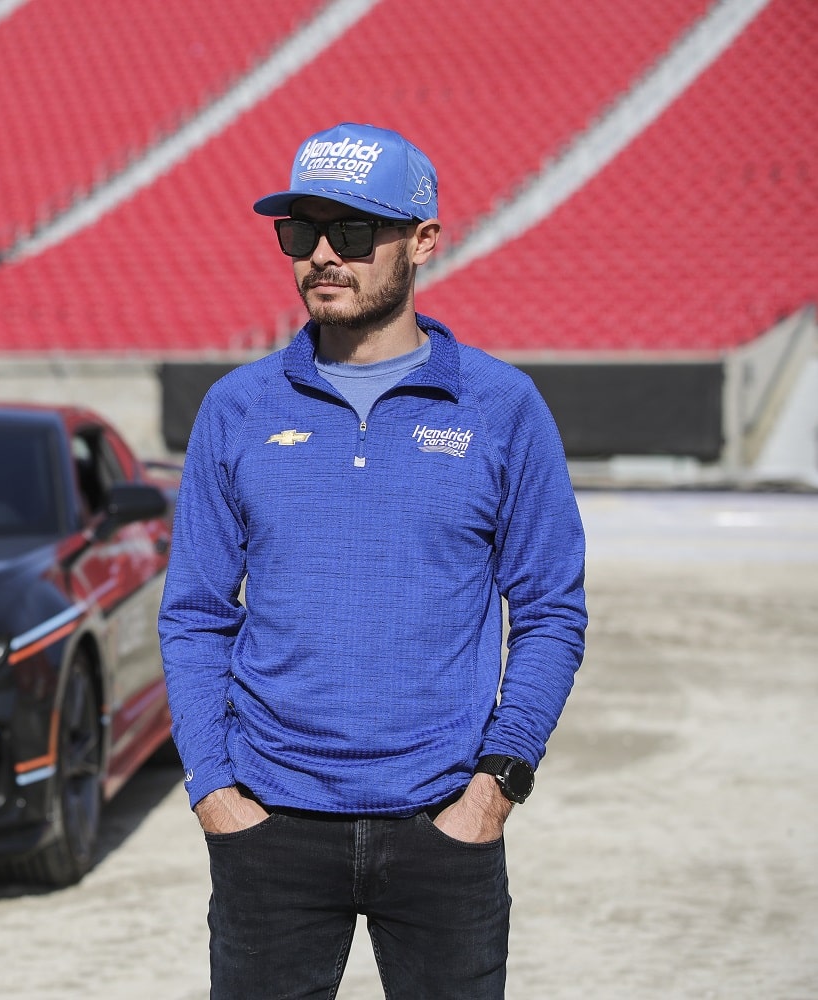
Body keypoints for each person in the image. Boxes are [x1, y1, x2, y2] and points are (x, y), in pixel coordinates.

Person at [157, 122, 587, 999]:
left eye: (353, 231)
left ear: (423, 240)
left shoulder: (501, 406)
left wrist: (496, 785)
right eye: (299, 231)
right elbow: (196, 614)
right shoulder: (237, 408)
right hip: (267, 823)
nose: (322, 255)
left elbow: (550, 611)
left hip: (444, 824)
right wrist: (214, 787)